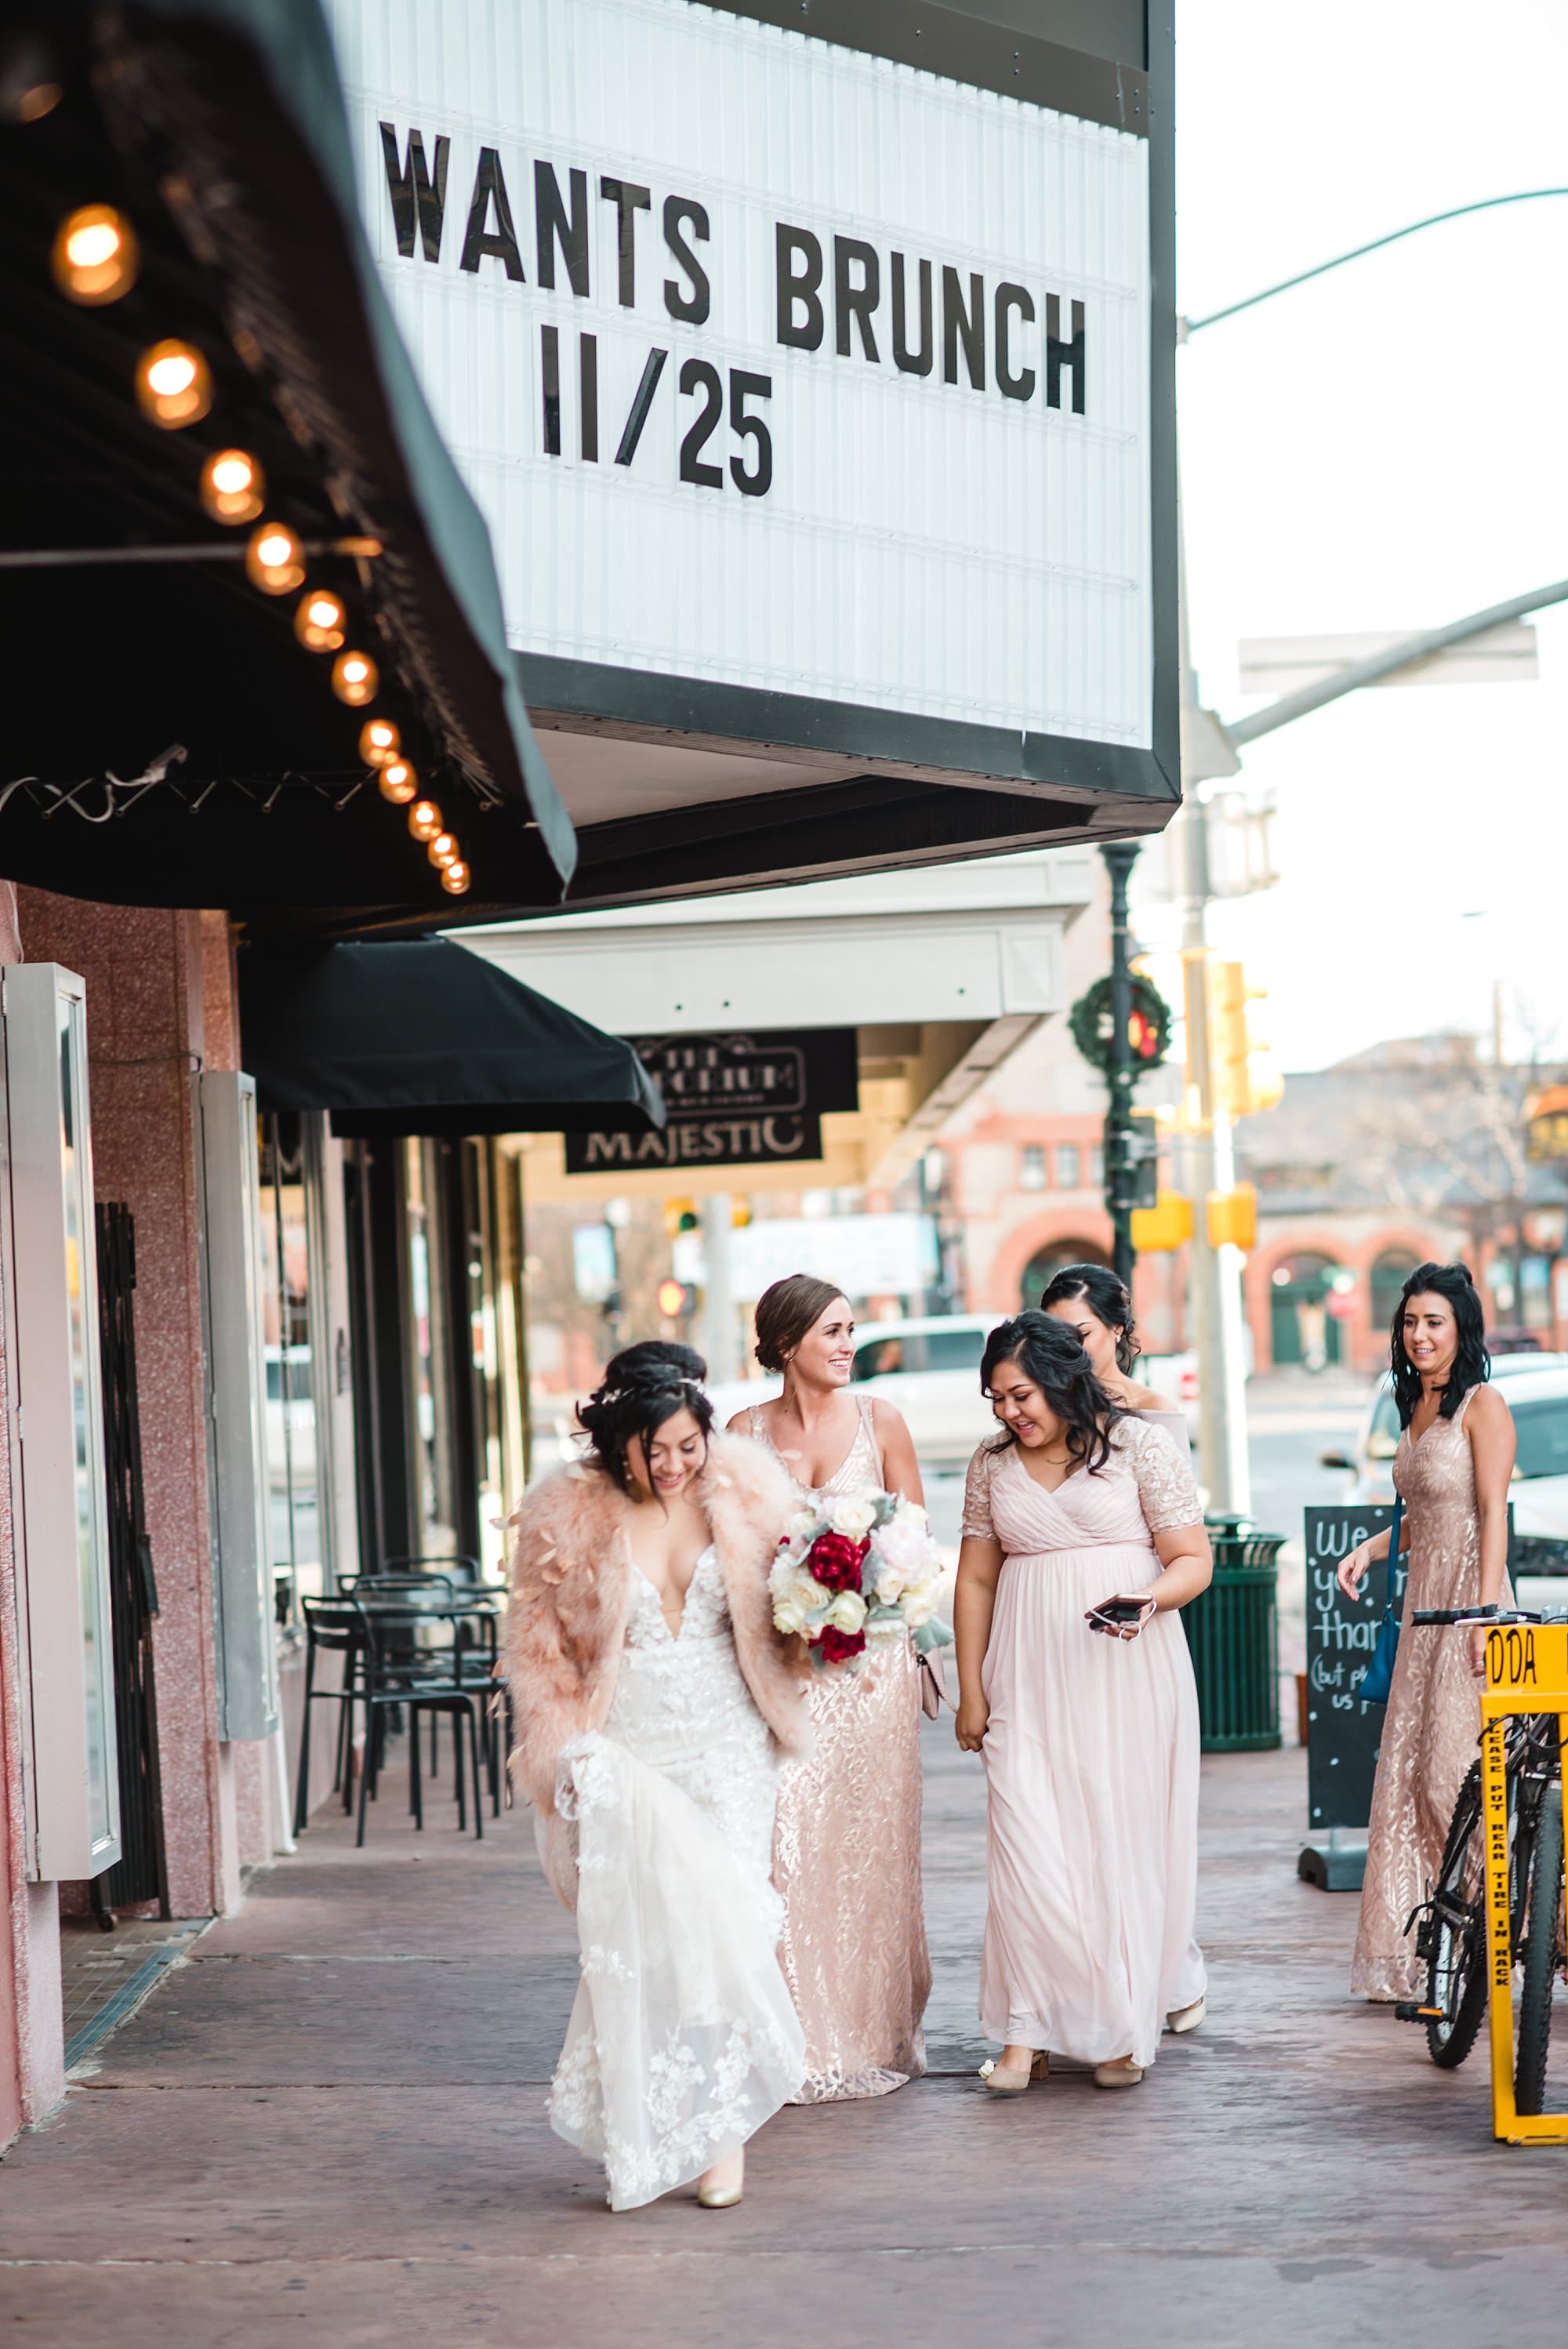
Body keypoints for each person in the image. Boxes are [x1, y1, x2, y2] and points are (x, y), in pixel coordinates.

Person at [506, 1341, 811, 2211]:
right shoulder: (565, 1515)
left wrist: (834, 1618)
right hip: (631, 1748)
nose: (675, 1465)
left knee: (728, 1925)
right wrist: (563, 1757)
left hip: (728, 1742)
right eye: (656, 1449)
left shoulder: (746, 1491)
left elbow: (788, 1606)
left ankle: (719, 2131)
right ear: (617, 1443)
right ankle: (652, 2116)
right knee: (649, 1935)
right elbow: (539, 1654)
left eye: (689, 1445)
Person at [953, 1312, 1211, 2091]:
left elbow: (1191, 1559)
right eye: (995, 1398)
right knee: (1025, 1843)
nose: (1008, 1412)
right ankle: (1021, 2032)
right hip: (1024, 1670)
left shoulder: (1140, 1446)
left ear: (1064, 1378)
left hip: (1123, 1668)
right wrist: (971, 1688)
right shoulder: (989, 1461)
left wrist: (1145, 1598)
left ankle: (1113, 2029)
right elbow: (972, 1578)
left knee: (1112, 1844)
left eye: (1019, 1393)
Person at [728, 1274, 931, 2100]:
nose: (847, 1344)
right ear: (784, 1345)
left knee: (870, 1848)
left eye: (850, 1329)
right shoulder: (741, 1430)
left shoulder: (882, 1422)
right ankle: (795, 2035)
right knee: (787, 1851)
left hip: (871, 1671)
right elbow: (733, 1555)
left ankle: (873, 2030)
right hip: (787, 1673)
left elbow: (916, 1542)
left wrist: (902, 1617)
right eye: (829, 1332)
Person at [1336, 1262, 1515, 2000]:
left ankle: (1510, 1933)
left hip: (1470, 1607)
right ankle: (1436, 1949)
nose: (1419, 1335)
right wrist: (1373, 1548)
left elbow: (1491, 1513)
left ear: (1461, 1328)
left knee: (1455, 1779)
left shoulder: (1483, 1404)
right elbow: (1426, 1514)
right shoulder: (1414, 1407)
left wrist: (1483, 1614)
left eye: (1434, 1322)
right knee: (1409, 1779)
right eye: (1410, 1322)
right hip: (1419, 1613)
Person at [1040, 1262, 1189, 1454]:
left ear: (1117, 1327)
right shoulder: (1041, 1405)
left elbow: (1181, 1483)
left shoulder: (1155, 1408)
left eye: (1083, 1334)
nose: (1070, 1347)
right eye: (1058, 1336)